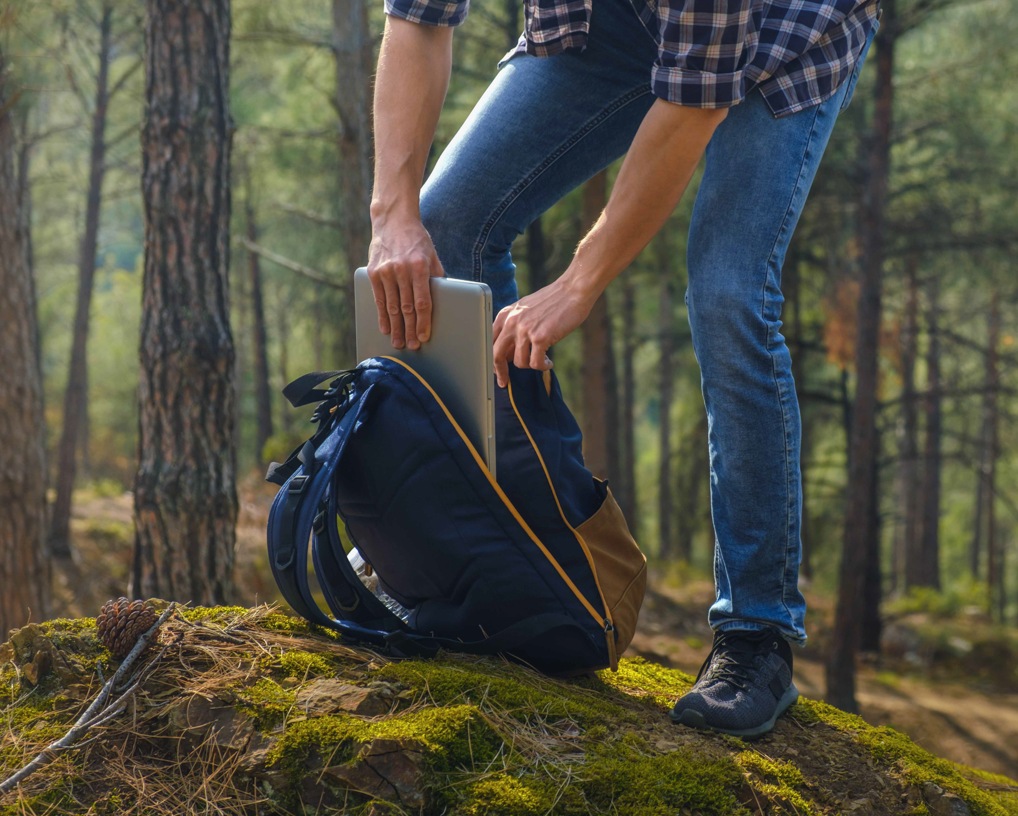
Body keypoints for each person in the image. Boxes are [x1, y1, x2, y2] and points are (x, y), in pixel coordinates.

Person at [367, 0, 879, 738]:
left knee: (728, 292)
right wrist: (393, 215)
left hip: (784, 31)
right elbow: (417, 20)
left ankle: (757, 633)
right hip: (609, 17)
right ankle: (488, 552)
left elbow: (691, 101)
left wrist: (579, 283)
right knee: (446, 219)